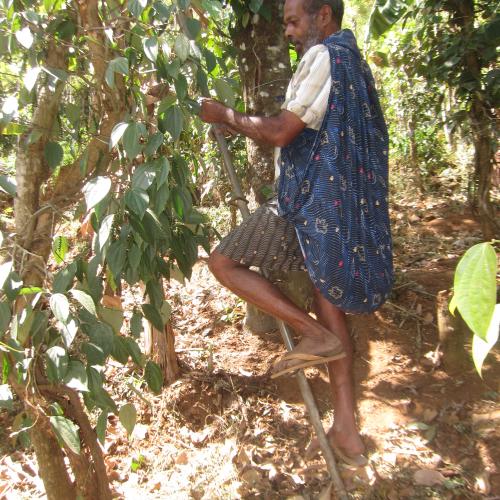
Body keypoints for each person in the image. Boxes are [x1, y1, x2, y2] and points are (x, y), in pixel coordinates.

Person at [199, 0, 392, 466]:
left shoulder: (325, 56)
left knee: (223, 262)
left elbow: (284, 131)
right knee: (330, 304)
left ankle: (310, 334)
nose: (287, 31)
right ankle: (347, 431)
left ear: (322, 15)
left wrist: (227, 116)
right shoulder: (355, 62)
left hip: (310, 207)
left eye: (291, 21)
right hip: (344, 210)